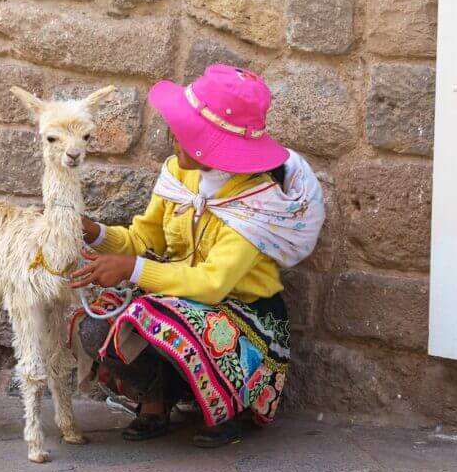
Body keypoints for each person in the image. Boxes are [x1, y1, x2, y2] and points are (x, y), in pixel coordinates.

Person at [68, 64, 326, 447]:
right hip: (180, 301)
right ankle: (154, 403)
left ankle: (225, 409)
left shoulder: (254, 203)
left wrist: (133, 269)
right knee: (96, 322)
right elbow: (142, 237)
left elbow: (211, 283)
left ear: (215, 144)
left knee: (147, 316)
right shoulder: (177, 175)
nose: (174, 136)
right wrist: (95, 232)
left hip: (243, 313)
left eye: (186, 132)